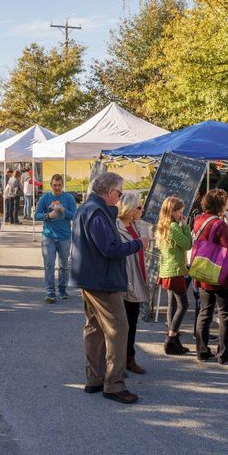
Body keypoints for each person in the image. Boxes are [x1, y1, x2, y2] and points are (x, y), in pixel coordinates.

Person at [71, 172, 149, 405]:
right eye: (119, 192)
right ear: (109, 192)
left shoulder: (89, 209)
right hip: (101, 280)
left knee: (94, 329)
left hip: (90, 277)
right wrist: (137, 244)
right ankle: (113, 384)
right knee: (118, 328)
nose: (120, 197)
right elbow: (110, 248)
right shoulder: (96, 212)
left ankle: (95, 379)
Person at [192, 189, 228, 364]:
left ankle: (201, 351)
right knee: (225, 314)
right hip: (220, 274)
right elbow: (227, 250)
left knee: (204, 312)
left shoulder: (198, 220)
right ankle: (224, 353)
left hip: (203, 271)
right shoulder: (220, 225)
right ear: (220, 204)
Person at [116, 191, 150, 373]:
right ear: (129, 210)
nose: (142, 210)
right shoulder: (117, 227)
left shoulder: (137, 225)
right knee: (123, 324)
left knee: (133, 321)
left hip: (137, 278)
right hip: (125, 280)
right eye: (139, 207)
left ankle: (129, 358)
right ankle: (119, 362)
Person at [155, 196, 193, 355]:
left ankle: (174, 338)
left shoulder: (162, 227)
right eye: (180, 212)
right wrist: (185, 226)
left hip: (166, 269)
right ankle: (171, 338)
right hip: (175, 270)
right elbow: (188, 244)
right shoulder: (174, 227)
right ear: (172, 212)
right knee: (184, 305)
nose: (181, 215)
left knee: (173, 305)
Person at [34, 174, 77, 302]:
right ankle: (50, 291)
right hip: (49, 237)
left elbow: (75, 216)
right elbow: (36, 215)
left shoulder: (69, 198)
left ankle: (62, 288)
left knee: (64, 265)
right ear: (50, 185)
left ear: (62, 185)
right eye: (54, 185)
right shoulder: (45, 197)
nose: (57, 187)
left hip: (64, 237)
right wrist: (48, 215)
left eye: (59, 185)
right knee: (49, 264)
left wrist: (64, 210)